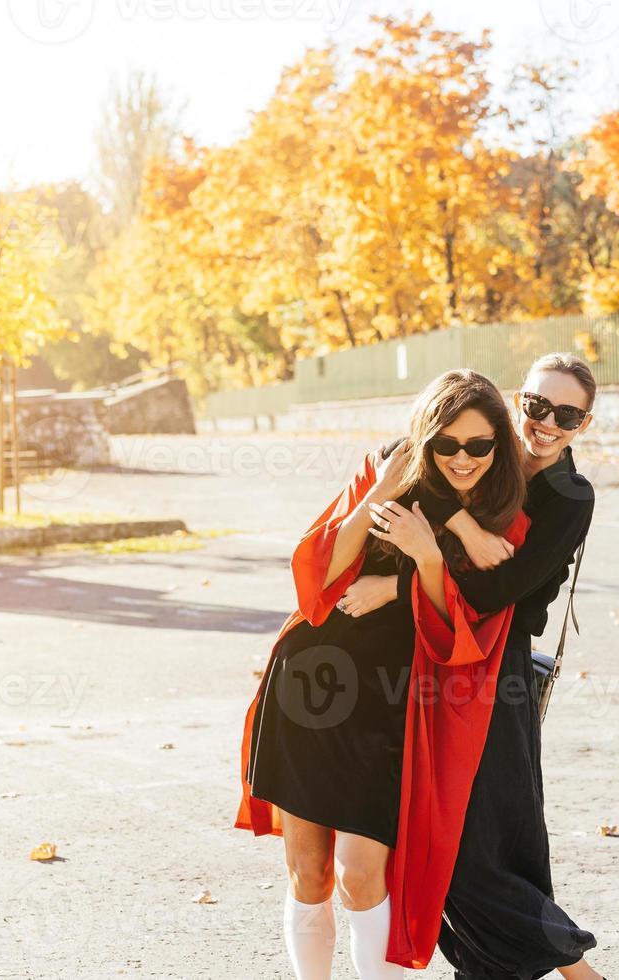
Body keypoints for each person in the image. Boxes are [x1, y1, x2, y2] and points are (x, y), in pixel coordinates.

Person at [236, 369, 532, 979]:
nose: (462, 458)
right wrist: (378, 495)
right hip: (313, 683)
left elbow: (470, 625)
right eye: (446, 444)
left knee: (362, 872)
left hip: (393, 704)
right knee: (308, 871)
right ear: (426, 439)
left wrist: (417, 566)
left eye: (479, 444)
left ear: (499, 444)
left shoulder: (506, 519)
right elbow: (318, 575)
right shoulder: (387, 468)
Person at [344, 353, 604, 979]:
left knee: (487, 845)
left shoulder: (569, 496)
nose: (547, 423)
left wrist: (393, 587)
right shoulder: (485, 448)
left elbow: (497, 593)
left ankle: (578, 972)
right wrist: (464, 525)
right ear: (520, 399)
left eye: (566, 415)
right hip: (437, 657)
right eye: (538, 405)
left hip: (497, 674)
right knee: (453, 838)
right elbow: (401, 454)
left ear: (584, 424)